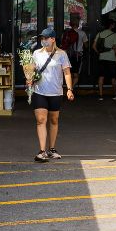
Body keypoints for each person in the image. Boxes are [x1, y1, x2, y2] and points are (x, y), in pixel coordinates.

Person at [28, 27, 73, 162]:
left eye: (46, 38)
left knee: (54, 120)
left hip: (56, 92)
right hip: (39, 91)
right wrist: (29, 77)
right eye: (42, 38)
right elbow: (31, 69)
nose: (43, 40)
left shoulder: (62, 54)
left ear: (53, 39)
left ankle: (52, 149)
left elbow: (67, 73)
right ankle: (42, 151)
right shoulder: (36, 53)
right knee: (41, 120)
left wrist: (69, 89)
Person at [91, 17, 116, 98]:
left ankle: (100, 95)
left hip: (102, 57)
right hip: (111, 58)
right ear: (111, 25)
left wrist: (99, 52)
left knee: (101, 76)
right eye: (113, 24)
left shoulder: (99, 34)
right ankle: (115, 94)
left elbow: (93, 46)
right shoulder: (114, 35)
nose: (114, 26)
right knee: (113, 77)